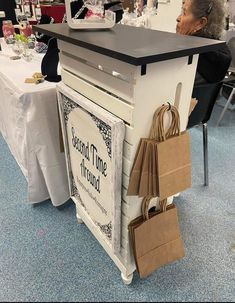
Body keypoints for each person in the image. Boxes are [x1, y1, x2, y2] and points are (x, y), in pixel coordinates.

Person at [176, 0, 231, 84]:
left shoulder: (185, 62)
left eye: (184, 12)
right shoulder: (220, 56)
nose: (178, 18)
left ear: (200, 23)